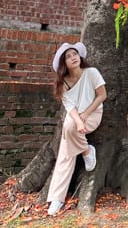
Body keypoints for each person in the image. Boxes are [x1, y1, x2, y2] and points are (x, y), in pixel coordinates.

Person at [46, 41, 107, 216]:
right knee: (66, 152)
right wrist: (78, 121)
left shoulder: (91, 73)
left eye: (74, 54)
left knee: (69, 130)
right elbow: (70, 108)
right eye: (68, 56)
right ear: (64, 64)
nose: (73, 58)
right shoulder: (62, 83)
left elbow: (102, 95)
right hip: (75, 119)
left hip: (93, 114)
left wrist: (85, 115)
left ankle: (57, 198)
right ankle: (86, 151)